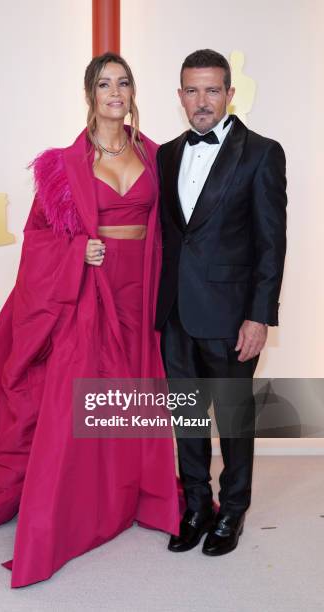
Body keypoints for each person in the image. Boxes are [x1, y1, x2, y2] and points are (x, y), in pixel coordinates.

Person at [0, 52, 180, 588]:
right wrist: (76, 254)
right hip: (88, 290)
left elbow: (176, 228)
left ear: (133, 91)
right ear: (89, 94)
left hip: (141, 288)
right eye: (104, 84)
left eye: (124, 82)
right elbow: (38, 238)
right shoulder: (61, 166)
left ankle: (131, 494)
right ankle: (66, 513)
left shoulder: (159, 156)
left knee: (136, 392)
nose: (115, 92)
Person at [156, 49, 287, 556]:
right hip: (176, 315)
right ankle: (196, 505)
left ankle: (233, 510)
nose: (202, 101)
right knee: (186, 418)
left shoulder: (261, 153)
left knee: (233, 421)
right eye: (193, 90)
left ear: (230, 94)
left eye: (213, 90)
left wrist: (260, 315)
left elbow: (271, 242)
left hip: (233, 316)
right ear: (180, 96)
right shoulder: (168, 153)